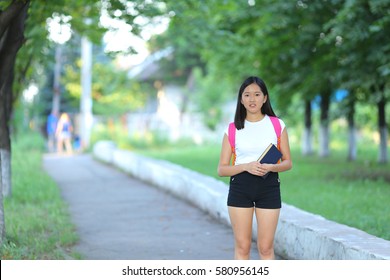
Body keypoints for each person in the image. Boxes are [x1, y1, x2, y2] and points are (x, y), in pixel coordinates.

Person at [217, 76, 292, 260]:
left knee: (266, 248)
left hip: (269, 187)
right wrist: (246, 166)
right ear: (241, 99)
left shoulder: (277, 125)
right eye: (247, 95)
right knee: (242, 247)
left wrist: (271, 167)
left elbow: (288, 162)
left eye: (257, 94)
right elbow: (222, 169)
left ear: (265, 98)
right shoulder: (233, 128)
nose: (252, 99)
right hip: (240, 187)